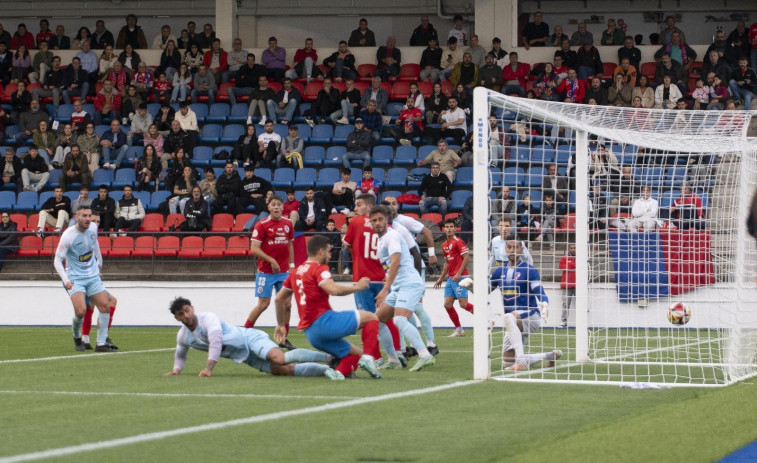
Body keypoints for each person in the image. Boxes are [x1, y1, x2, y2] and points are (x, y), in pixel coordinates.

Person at [272, 235, 379, 379]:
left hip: (311, 334)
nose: (330, 254)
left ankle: (338, 373)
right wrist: (358, 286)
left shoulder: (296, 271)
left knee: (355, 354)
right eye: (329, 251)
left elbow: (279, 298)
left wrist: (280, 324)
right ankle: (368, 358)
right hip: (324, 323)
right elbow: (333, 290)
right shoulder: (319, 268)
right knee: (371, 317)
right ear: (321, 251)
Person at [165, 297, 340, 379]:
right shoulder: (183, 335)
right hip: (244, 355)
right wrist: (177, 370)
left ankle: (329, 358)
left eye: (187, 310)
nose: (186, 315)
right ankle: (327, 370)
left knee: (278, 358)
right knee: (284, 370)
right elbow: (181, 353)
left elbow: (216, 343)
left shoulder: (208, 319)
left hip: (249, 338)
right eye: (181, 314)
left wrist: (209, 368)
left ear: (193, 308)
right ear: (177, 318)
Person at [371, 205, 436, 371]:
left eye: (380, 219)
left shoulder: (392, 235)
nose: (378, 223)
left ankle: (425, 354)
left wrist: (385, 289)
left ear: (387, 219)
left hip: (409, 283)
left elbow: (396, 261)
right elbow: (390, 266)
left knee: (400, 319)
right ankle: (393, 359)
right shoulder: (381, 240)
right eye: (374, 220)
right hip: (399, 286)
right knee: (377, 321)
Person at [342, 194, 404, 361]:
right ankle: (397, 351)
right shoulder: (387, 226)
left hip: (363, 278)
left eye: (359, 204)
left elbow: (346, 245)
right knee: (388, 318)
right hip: (384, 278)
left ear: (369, 206)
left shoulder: (355, 222)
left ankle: (376, 357)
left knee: (369, 320)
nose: (356, 208)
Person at [485, 240, 559, 370]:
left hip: (531, 317)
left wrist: (545, 303)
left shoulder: (529, 270)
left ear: (521, 250)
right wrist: (471, 286)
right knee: (507, 362)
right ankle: (549, 356)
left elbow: (539, 290)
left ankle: (521, 362)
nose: (512, 250)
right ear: (505, 250)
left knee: (508, 317)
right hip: (512, 322)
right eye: (509, 247)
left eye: (516, 247)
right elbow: (484, 291)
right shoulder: (499, 271)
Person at [54, 205, 117, 352]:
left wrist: (99, 265)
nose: (88, 219)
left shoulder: (93, 228)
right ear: (76, 217)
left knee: (105, 306)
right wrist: (65, 279)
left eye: (89, 216)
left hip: (92, 276)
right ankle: (77, 337)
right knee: (81, 311)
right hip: (75, 277)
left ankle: (101, 344)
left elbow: (95, 247)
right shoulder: (68, 236)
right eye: (84, 216)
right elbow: (57, 260)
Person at [245, 195, 296, 350]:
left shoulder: (288, 224)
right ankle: (244, 333)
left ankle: (283, 338)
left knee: (287, 304)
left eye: (279, 205)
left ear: (282, 207)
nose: (276, 207)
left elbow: (290, 245)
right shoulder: (261, 225)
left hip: (284, 272)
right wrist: (271, 260)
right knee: (263, 304)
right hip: (266, 272)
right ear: (268, 207)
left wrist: (292, 265)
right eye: (273, 204)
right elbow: (254, 249)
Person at [435, 219, 475, 337]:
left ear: (455, 228)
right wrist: (441, 278)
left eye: (451, 226)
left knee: (463, 304)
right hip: (451, 278)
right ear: (444, 229)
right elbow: (447, 262)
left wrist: (458, 273)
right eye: (447, 227)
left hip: (461, 277)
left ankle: (486, 320)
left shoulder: (458, 241)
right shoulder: (444, 245)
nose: (449, 229)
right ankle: (459, 330)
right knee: (447, 304)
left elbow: (466, 257)